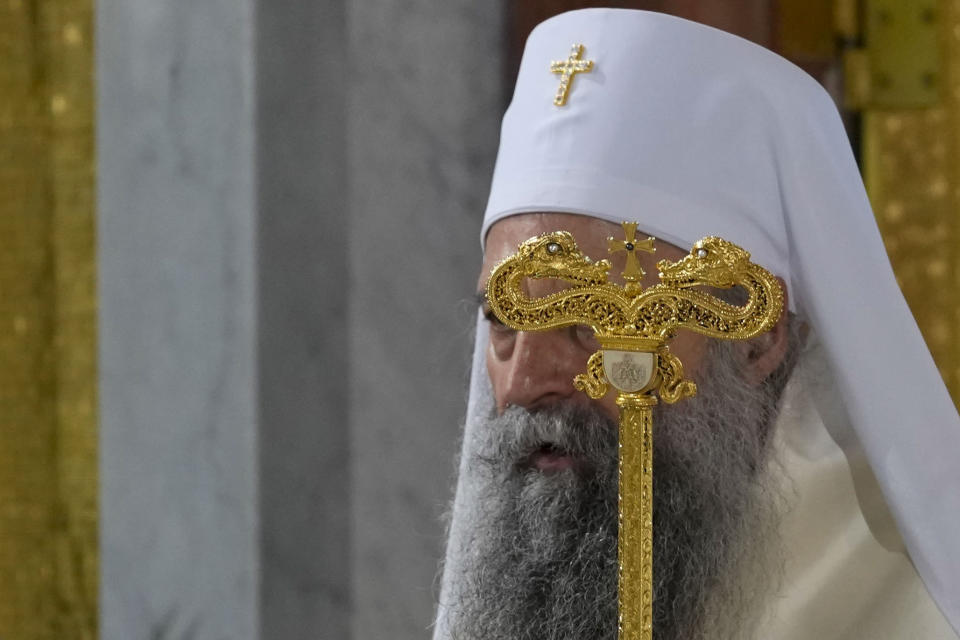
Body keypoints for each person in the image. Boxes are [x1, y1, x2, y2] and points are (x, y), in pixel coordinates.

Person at [432, 9, 960, 640]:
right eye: (506, 326)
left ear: (756, 341)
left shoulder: (896, 607)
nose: (521, 385)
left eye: (589, 324)